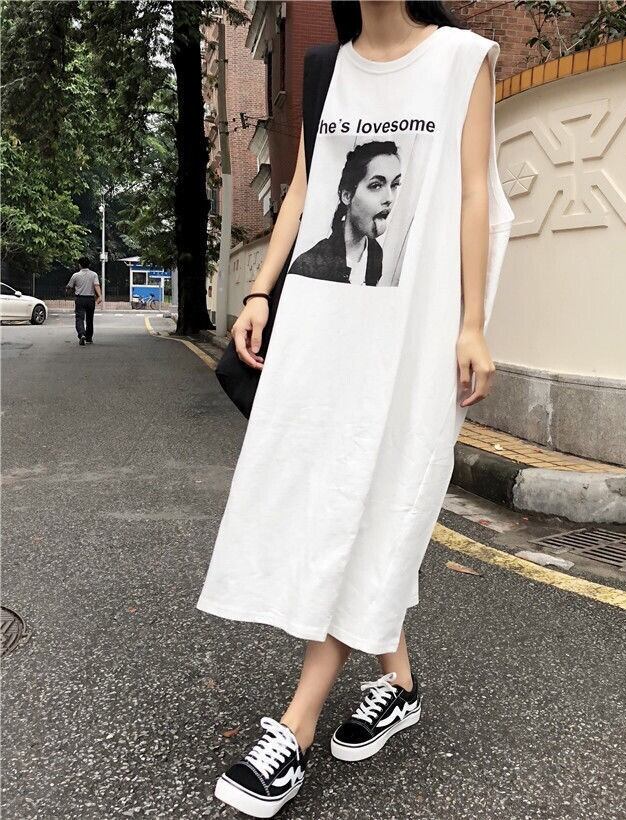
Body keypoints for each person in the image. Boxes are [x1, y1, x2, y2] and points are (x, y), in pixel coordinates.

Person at [196, 2, 516, 817]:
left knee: (376, 500)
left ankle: (297, 726)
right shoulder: (326, 68)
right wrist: (260, 291)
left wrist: (473, 323)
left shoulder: (462, 59)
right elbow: (304, 188)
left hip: (415, 335)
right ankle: (397, 682)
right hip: (324, 326)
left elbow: (474, 195)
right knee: (332, 496)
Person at [288, 140, 400, 285]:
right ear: (347, 196)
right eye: (376, 185)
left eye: (394, 185)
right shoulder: (307, 266)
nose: (389, 198)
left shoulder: (375, 252)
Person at [65, 256, 101, 345]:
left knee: (79, 318)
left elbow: (69, 287)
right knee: (89, 319)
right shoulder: (94, 274)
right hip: (90, 299)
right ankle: (89, 338)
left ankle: (81, 334)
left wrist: (68, 291)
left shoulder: (75, 275)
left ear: (80, 265)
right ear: (89, 264)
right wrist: (99, 296)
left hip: (80, 299)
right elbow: (96, 285)